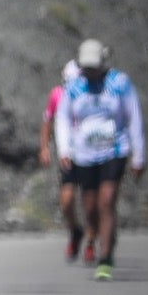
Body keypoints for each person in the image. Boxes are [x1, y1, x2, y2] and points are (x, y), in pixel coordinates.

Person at [54, 38, 145, 281]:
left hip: (114, 151)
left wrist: (139, 155)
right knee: (91, 206)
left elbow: (133, 117)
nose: (90, 73)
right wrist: (64, 150)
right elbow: (61, 118)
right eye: (86, 68)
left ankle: (106, 257)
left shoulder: (119, 83)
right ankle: (99, 234)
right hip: (84, 155)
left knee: (107, 200)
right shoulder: (74, 87)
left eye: (93, 68)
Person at [40, 58, 99, 263]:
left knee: (90, 201)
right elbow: (48, 121)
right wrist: (45, 148)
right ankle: (75, 231)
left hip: (91, 153)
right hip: (69, 155)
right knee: (66, 200)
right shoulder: (57, 95)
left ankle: (91, 242)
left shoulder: (92, 94)